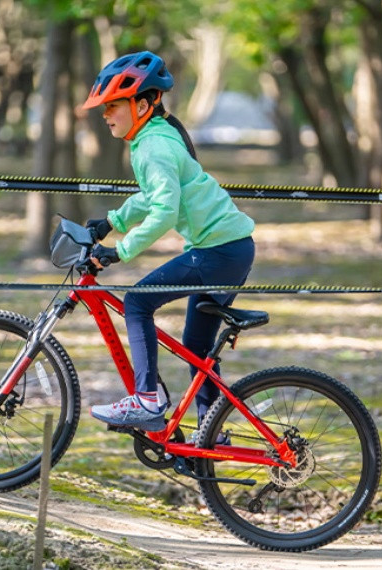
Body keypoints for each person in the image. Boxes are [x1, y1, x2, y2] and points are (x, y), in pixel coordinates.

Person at [82, 51, 255, 433]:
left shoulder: (154, 146)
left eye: (112, 106)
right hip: (229, 248)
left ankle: (146, 399)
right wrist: (111, 222)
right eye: (103, 108)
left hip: (218, 252)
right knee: (197, 348)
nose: (105, 115)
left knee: (138, 303)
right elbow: (154, 196)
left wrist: (119, 251)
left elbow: (163, 210)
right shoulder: (153, 137)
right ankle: (213, 433)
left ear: (142, 104)